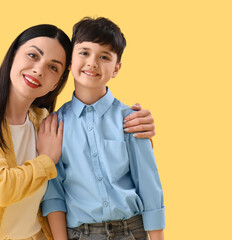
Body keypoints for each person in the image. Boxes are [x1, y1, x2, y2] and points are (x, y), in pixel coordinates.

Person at [0, 24, 156, 240]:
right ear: (13, 55)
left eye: (53, 67)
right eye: (33, 55)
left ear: (57, 82)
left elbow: (88, 170)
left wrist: (136, 130)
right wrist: (46, 160)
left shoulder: (46, 122)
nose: (39, 70)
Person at [42, 17, 165, 240]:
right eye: (84, 53)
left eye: (104, 56)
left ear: (116, 68)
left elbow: (148, 184)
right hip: (81, 233)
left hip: (132, 230)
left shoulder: (131, 119)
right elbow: (54, 193)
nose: (92, 63)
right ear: (70, 60)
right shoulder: (54, 124)